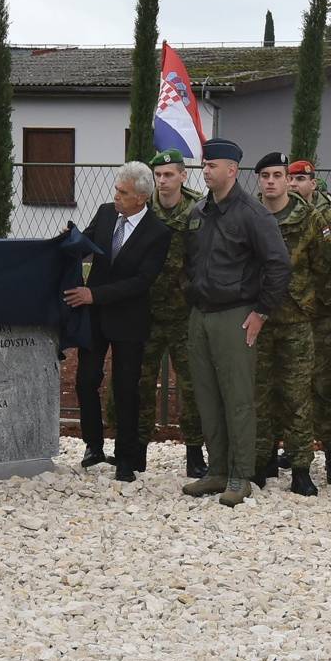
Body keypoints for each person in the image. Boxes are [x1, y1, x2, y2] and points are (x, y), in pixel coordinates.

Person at [181, 138, 290, 507]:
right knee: (207, 397)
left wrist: (261, 312)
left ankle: (240, 475)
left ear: (232, 170)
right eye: (205, 166)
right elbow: (189, 261)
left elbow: (278, 264)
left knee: (238, 399)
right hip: (201, 315)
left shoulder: (252, 213)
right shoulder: (199, 212)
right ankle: (217, 470)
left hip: (235, 315)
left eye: (213, 166)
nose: (206, 171)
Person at [66, 161, 173, 481]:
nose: (116, 196)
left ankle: (126, 457)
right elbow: (82, 246)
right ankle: (93, 445)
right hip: (95, 318)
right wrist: (63, 243)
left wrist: (94, 294)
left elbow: (141, 281)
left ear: (141, 198)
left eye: (123, 193)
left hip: (128, 318)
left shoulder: (158, 232)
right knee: (86, 379)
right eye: (116, 189)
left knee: (126, 388)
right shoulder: (105, 212)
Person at [249, 152, 328, 495]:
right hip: (257, 318)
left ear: (287, 180)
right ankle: (260, 460)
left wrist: (311, 303)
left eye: (277, 175)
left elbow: (326, 266)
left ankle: (299, 467)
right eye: (265, 175)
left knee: (298, 395)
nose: (270, 181)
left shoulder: (309, 218)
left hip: (296, 317)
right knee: (259, 393)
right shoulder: (247, 213)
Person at [133, 150, 206, 477]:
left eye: (168, 175)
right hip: (146, 312)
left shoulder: (199, 211)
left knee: (191, 386)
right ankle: (137, 450)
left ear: (182, 176)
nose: (163, 181)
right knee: (141, 382)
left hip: (184, 314)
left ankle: (194, 452)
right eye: (158, 175)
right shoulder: (141, 210)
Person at [294, 162, 331, 485]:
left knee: (329, 387)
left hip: (324, 319)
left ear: (313, 184)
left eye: (300, 179)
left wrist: (326, 300)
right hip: (288, 316)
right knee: (288, 386)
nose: (293, 184)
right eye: (290, 178)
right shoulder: (273, 215)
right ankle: (290, 449)